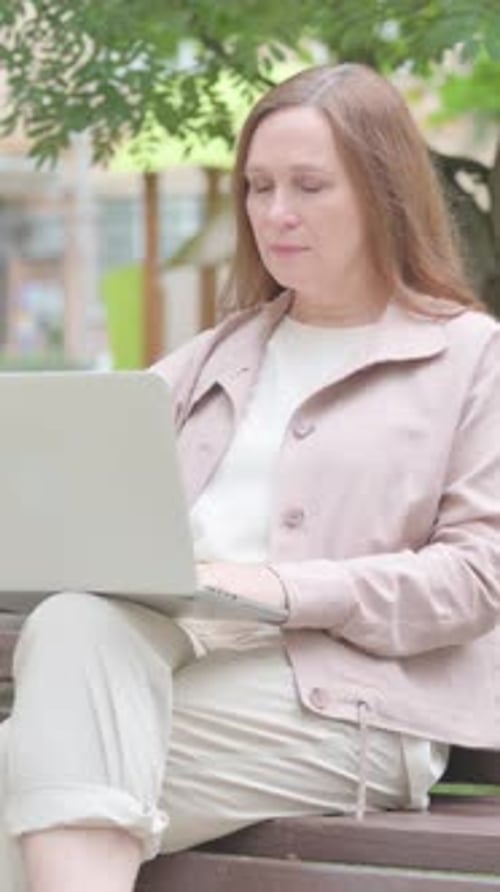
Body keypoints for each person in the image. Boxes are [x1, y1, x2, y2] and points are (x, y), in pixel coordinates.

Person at [1, 61, 500, 892]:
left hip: (348, 707)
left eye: (309, 186)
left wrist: (281, 587)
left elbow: (478, 578)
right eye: (259, 187)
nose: (276, 213)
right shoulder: (217, 355)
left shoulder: (472, 359)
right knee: (82, 618)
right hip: (167, 666)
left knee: (30, 790)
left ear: (384, 194)